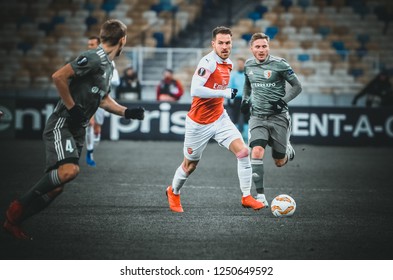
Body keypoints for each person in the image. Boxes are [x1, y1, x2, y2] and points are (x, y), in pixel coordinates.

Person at [3, 19, 145, 240]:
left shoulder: (108, 66)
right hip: (63, 124)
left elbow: (104, 100)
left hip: (77, 129)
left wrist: (127, 112)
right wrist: (73, 108)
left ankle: (13, 223)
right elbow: (59, 76)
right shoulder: (93, 58)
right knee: (70, 171)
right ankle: (17, 208)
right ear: (123, 40)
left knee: (57, 186)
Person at [165, 26, 264, 213]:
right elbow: (195, 90)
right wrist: (224, 93)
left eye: (228, 43)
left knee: (243, 152)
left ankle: (246, 196)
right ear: (213, 44)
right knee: (190, 164)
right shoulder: (208, 62)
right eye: (221, 43)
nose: (225, 46)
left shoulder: (230, 64)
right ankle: (174, 191)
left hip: (220, 117)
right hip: (199, 123)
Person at [240, 32, 302, 207]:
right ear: (251, 48)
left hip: (278, 118)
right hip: (257, 116)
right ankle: (260, 196)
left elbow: (297, 86)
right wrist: (245, 100)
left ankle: (286, 150)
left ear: (268, 47)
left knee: (279, 162)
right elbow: (247, 84)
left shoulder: (280, 64)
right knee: (257, 151)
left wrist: (282, 101)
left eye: (264, 46)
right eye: (257, 46)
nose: (261, 50)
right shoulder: (248, 65)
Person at [85, 35, 121, 167]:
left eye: (92, 44)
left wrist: (104, 80)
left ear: (99, 45)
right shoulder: (86, 60)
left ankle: (92, 147)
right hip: (88, 97)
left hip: (102, 97)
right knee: (90, 123)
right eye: (89, 44)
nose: (90, 47)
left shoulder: (109, 61)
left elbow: (116, 80)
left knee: (97, 128)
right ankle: (89, 152)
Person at [227, 57, 249, 140]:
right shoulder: (233, 76)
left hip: (246, 99)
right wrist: (229, 100)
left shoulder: (247, 76)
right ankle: (235, 137)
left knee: (247, 118)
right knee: (235, 117)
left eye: (241, 63)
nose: (240, 65)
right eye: (238, 64)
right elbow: (230, 88)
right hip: (237, 99)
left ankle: (246, 137)